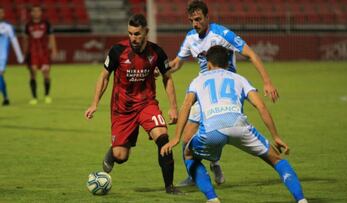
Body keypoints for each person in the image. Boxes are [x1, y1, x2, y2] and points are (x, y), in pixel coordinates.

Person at [161, 45, 307, 203]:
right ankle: (301, 199)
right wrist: (276, 136)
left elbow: (187, 106)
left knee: (189, 155)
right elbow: (261, 106)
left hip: (212, 130)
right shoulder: (240, 79)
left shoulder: (198, 80)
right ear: (228, 62)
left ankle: (212, 198)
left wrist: (176, 137)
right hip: (239, 126)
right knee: (276, 159)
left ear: (208, 64)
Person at [170, 0, 279, 186]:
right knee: (186, 139)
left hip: (226, 93)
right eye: (191, 20)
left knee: (218, 130)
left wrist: (267, 82)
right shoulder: (190, 38)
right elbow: (177, 63)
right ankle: (198, 174)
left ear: (207, 17)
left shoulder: (222, 34)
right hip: (203, 92)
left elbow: (251, 54)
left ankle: (214, 162)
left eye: (198, 19)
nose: (195, 24)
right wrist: (161, 69)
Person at [84, 14, 180, 194]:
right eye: (130, 33)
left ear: (146, 32)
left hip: (147, 104)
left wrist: (173, 107)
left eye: (137, 34)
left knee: (163, 137)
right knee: (121, 156)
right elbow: (104, 77)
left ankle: (170, 187)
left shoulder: (157, 52)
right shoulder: (117, 51)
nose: (133, 38)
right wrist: (94, 103)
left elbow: (167, 78)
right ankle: (112, 153)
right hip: (122, 109)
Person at [23, 5, 57, 105]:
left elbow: (51, 37)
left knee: (46, 73)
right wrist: (24, 52)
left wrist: (54, 50)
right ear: (31, 13)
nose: (36, 13)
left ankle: (47, 95)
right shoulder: (28, 25)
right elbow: (25, 40)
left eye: (38, 11)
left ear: (41, 13)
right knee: (33, 73)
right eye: (34, 11)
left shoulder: (46, 24)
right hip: (32, 53)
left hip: (44, 53)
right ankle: (34, 97)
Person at [0, 7, 24, 106]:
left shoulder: (8, 27)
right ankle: (6, 97)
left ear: (3, 14)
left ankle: (6, 98)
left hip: (1, 57)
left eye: (1, 12)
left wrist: (20, 57)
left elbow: (14, 41)